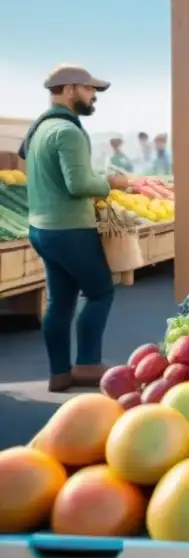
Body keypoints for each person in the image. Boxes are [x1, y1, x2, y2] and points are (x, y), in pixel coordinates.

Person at [19, 65, 130, 392]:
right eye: (89, 89)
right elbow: (78, 183)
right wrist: (113, 182)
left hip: (41, 229)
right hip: (71, 230)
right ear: (69, 89)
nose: (93, 96)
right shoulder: (68, 131)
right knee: (99, 292)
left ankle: (59, 373)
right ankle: (87, 366)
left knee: (59, 302)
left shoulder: (40, 128)